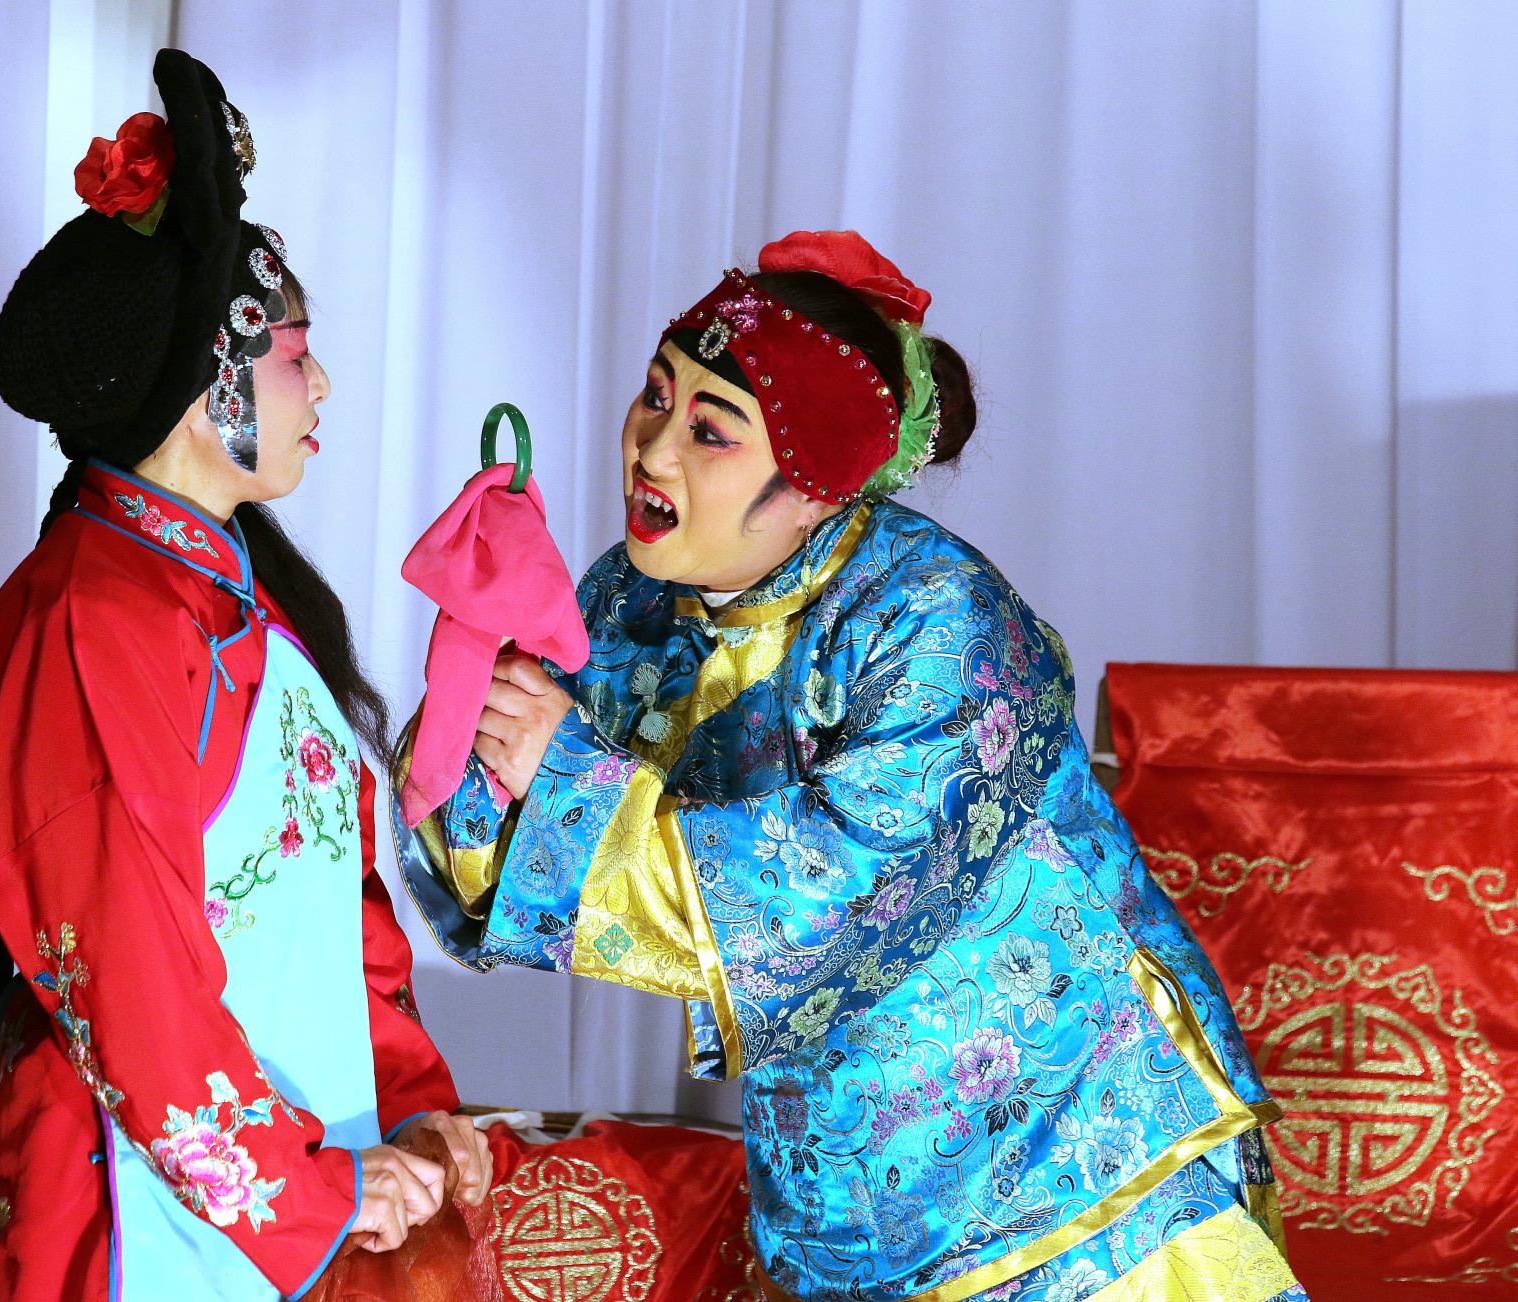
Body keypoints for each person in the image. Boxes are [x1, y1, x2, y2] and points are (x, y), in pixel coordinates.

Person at [393, 231, 1305, 1301]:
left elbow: (830, 901)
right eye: (654, 395)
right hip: (837, 1183)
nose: (651, 450)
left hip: (1076, 1157)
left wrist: (562, 772)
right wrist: (475, 709)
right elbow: (509, 856)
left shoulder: (941, 622)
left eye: (708, 430)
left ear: (817, 489)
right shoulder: (627, 602)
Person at [0, 50, 489, 1301]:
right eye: (298, 354)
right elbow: (123, 959)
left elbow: (337, 909)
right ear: (210, 387)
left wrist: (407, 1103)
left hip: (305, 1179)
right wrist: (302, 1188)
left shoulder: (238, 597)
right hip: (135, 1208)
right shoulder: (90, 616)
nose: (322, 385)